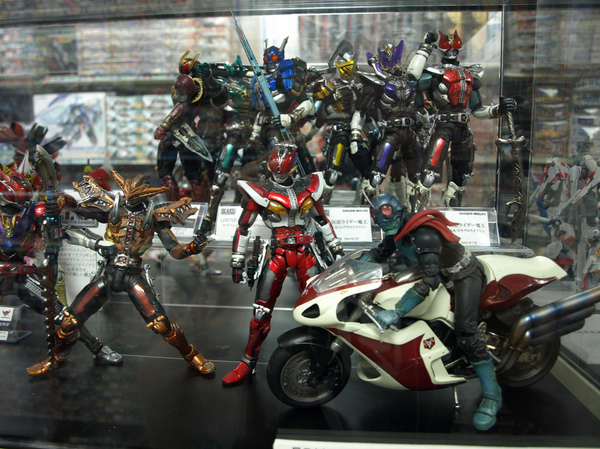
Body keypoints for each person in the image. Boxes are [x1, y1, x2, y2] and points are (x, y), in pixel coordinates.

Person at [27, 170, 215, 376]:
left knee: (161, 324)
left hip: (133, 274)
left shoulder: (154, 216)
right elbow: (78, 208)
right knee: (69, 321)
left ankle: (191, 355)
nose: (129, 200)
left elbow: (174, 250)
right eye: (128, 196)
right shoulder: (113, 209)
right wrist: (61, 200)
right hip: (109, 271)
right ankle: (57, 359)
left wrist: (192, 248)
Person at [364, 193, 502, 431]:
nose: (385, 225)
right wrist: (349, 270)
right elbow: (379, 253)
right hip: (440, 271)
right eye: (380, 220)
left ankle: (492, 395)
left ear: (397, 214)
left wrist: (397, 312)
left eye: (387, 219)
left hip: (462, 273)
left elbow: (430, 280)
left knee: (466, 332)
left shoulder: (423, 234)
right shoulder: (396, 231)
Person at [224, 143, 343, 385]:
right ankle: (248, 361)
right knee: (260, 312)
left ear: (293, 167)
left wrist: (336, 249)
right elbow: (243, 227)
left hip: (305, 252)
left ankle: (323, 357)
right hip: (278, 253)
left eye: (284, 170)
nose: (279, 175)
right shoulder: (260, 191)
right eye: (275, 170)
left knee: (318, 307)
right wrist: (237, 260)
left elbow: (321, 219)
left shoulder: (308, 187)